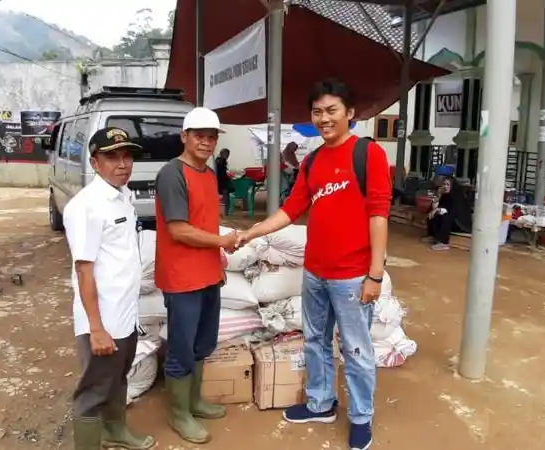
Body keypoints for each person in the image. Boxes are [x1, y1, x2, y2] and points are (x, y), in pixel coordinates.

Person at [237, 79, 391, 450]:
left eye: (331, 110)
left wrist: (375, 273)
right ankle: (321, 403)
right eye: (317, 112)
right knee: (316, 341)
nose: (324, 118)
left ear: (350, 113)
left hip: (353, 277)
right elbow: (292, 209)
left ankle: (360, 418)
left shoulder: (367, 154)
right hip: (316, 273)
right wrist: (255, 230)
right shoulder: (313, 161)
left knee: (356, 349)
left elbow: (379, 215)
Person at [63, 127, 155, 450]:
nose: (123, 163)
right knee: (93, 391)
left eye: (127, 155)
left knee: (118, 379)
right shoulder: (86, 206)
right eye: (112, 157)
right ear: (95, 162)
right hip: (102, 319)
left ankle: (116, 432)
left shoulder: (123, 197)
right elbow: (84, 270)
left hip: (124, 314)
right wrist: (96, 328)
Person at [154, 107, 238, 444]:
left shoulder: (208, 173)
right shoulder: (172, 174)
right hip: (181, 277)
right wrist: (222, 241)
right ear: (184, 136)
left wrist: (217, 258)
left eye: (211, 136)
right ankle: (179, 414)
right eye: (199, 135)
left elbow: (204, 223)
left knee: (203, 343)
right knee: (181, 347)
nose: (206, 142)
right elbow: (178, 230)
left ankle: (194, 400)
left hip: (207, 274)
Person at [422, 177, 455, 251]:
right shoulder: (444, 195)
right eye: (444, 184)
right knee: (431, 212)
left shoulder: (454, 196)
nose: (445, 186)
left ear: (451, 186)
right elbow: (435, 206)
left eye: (448, 184)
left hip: (456, 222)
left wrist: (437, 210)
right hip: (444, 215)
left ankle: (444, 243)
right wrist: (438, 194)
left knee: (444, 216)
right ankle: (433, 236)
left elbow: (449, 210)